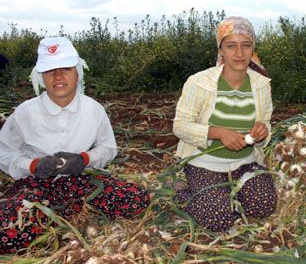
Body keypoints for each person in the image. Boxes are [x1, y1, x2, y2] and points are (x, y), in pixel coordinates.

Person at [0, 37, 150, 254]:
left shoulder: (94, 109)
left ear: (77, 72)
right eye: (50, 70)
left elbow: (108, 148)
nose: (58, 76)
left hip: (82, 181)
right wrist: (33, 165)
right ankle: (61, 218)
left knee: (136, 200)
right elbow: (4, 151)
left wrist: (84, 159)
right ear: (42, 77)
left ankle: (63, 217)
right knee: (10, 227)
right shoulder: (25, 112)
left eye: (65, 69)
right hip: (36, 184)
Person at [173, 16, 277, 232]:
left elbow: (265, 123)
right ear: (221, 49)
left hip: (245, 163)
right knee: (218, 219)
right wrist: (219, 132)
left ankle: (225, 196)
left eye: (246, 45)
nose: (239, 53)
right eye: (231, 46)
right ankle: (182, 190)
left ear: (253, 49)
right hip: (205, 163)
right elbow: (180, 126)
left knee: (265, 205)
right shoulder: (199, 82)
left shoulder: (261, 84)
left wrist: (262, 131)